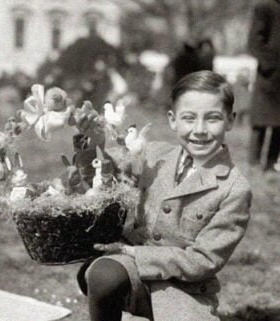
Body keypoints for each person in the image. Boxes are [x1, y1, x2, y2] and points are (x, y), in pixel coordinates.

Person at [77, 71, 252, 321]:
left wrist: (134, 253)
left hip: (183, 291)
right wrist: (89, 143)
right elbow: (105, 177)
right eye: (189, 118)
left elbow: (202, 261)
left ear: (230, 120)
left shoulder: (235, 189)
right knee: (104, 275)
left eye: (212, 118)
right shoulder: (153, 154)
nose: (200, 130)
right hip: (131, 273)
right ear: (173, 120)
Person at [247, 0, 280, 170]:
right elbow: (254, 41)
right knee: (260, 121)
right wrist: (268, 64)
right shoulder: (265, 7)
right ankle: (253, 162)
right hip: (269, 75)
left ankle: (270, 163)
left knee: (278, 124)